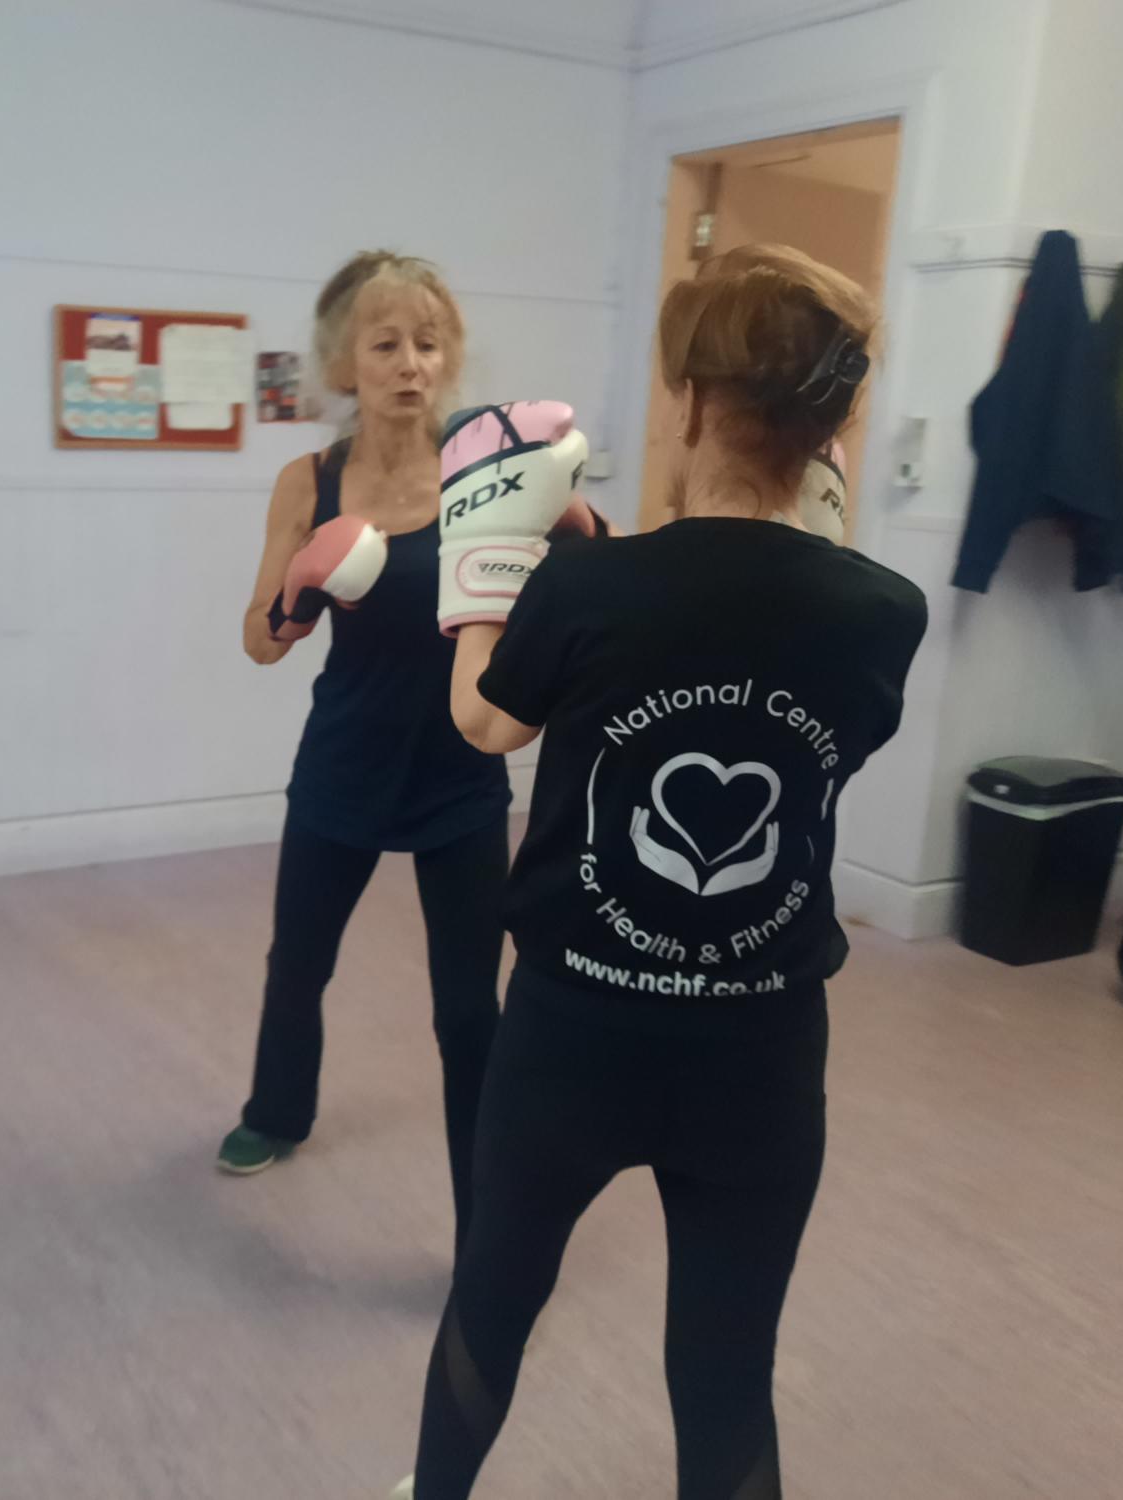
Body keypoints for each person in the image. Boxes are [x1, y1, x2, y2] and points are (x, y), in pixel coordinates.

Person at [393, 244, 929, 1499]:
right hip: (759, 1047)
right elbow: (776, 654)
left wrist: (487, 574)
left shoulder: (590, 586)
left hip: (574, 1033)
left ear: (687, 399)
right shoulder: (879, 610)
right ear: (836, 422)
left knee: (491, 1312)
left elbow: (483, 722)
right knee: (725, 1367)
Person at [219, 251, 510, 1260]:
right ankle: (277, 1109)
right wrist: (297, 594)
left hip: (460, 771)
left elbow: (542, 610)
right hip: (343, 762)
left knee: (469, 1009)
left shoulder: (484, 474)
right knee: (297, 963)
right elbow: (259, 641)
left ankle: (488, 1212)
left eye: (427, 343)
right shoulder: (309, 479)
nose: (409, 364)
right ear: (343, 360)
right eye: (384, 343)